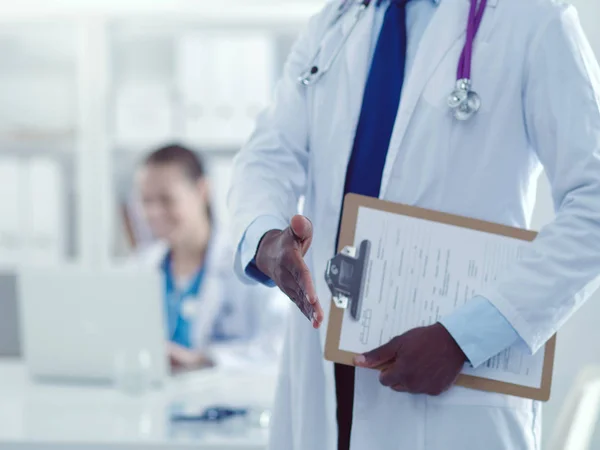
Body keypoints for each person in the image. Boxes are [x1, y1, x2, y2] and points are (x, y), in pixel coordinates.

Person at [228, 0, 600, 449]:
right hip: (325, 377)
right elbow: (266, 156)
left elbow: (593, 204)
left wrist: (463, 338)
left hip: (453, 388)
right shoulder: (335, 22)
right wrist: (265, 238)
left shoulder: (534, 18)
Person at [136, 144, 287, 371]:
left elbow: (276, 348)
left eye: (166, 200)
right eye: (146, 201)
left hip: (224, 400)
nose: (154, 213)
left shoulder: (248, 265)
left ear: (202, 191)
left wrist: (205, 359)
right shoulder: (141, 266)